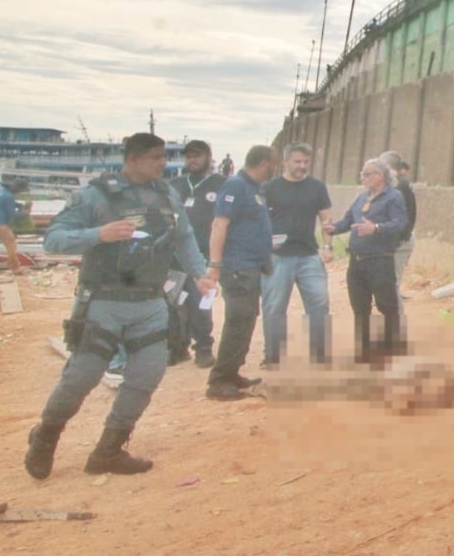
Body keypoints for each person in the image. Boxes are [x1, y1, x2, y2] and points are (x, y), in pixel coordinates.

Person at [24, 134, 214, 479]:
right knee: (82, 377)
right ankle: (45, 436)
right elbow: (53, 239)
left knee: (146, 377)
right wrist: (99, 234)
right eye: (156, 157)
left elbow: (183, 238)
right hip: (104, 303)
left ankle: (108, 450)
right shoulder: (95, 195)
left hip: (150, 303)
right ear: (134, 159)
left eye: (163, 157)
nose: (163, 163)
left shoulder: (166, 194)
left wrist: (200, 274)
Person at [205, 144, 277, 401]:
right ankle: (219, 381)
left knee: (246, 320)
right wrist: (214, 264)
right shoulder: (236, 186)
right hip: (237, 267)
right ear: (264, 163)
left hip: (251, 267)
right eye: (273, 164)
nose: (275, 168)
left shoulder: (254, 189)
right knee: (237, 322)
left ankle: (231, 373)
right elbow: (219, 224)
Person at [324, 158, 409, 365]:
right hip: (357, 261)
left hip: (379, 259)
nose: (363, 177)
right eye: (363, 174)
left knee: (386, 305)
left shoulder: (393, 196)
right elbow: (349, 220)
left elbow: (400, 223)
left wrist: (377, 228)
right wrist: (333, 228)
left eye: (367, 173)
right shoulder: (362, 197)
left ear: (380, 176)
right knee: (360, 307)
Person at [261, 142, 334, 367]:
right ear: (285, 162)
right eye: (297, 161)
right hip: (278, 257)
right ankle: (273, 355)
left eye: (305, 162)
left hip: (309, 255)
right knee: (274, 307)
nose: (302, 166)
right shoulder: (269, 188)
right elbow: (259, 221)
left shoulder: (316, 187)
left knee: (319, 303)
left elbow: (326, 219)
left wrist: (327, 247)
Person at [171, 141, 225, 368]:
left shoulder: (221, 184)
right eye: (188, 157)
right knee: (174, 303)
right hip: (175, 256)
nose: (192, 161)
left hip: (204, 256)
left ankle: (203, 347)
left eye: (197, 156)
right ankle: (177, 348)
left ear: (208, 157)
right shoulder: (174, 185)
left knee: (201, 303)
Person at [379, 151, 417, 292]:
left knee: (391, 284)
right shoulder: (403, 183)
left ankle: (392, 313)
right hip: (402, 237)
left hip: (399, 239)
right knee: (390, 282)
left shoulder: (397, 185)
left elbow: (402, 215)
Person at [0, 175, 28, 274]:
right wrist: (24, 214)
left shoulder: (1, 192)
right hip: (0, 225)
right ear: (17, 188)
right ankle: (16, 268)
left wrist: (18, 205)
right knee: (11, 246)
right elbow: (13, 214)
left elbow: (5, 204)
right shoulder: (9, 196)